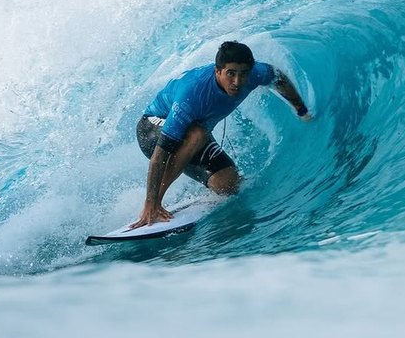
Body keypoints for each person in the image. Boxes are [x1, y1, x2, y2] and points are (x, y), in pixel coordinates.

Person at [130, 41, 311, 229]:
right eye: (230, 74)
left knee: (229, 185)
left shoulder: (257, 72)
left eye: (243, 74)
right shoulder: (192, 94)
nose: (237, 82)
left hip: (193, 133)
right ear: (218, 71)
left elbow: (278, 79)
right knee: (198, 133)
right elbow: (160, 156)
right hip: (152, 128)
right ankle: (152, 207)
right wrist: (152, 202)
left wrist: (300, 108)